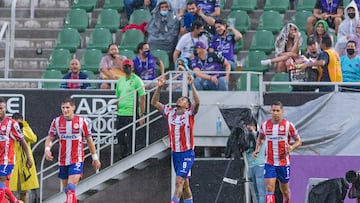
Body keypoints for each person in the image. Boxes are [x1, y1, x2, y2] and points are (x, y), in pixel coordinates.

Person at [151, 74, 200, 203]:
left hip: (187, 153)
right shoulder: (170, 112)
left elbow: (198, 102)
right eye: (180, 98)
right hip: (175, 153)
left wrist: (192, 85)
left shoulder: (189, 114)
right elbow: (154, 103)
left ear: (187, 106)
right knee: (185, 185)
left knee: (179, 182)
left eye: (183, 99)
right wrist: (159, 88)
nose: (180, 99)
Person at [44, 97, 101, 203]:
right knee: (68, 191)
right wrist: (47, 149)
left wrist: (95, 158)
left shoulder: (81, 121)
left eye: (67, 107)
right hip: (63, 160)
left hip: (77, 159)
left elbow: (89, 140)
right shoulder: (56, 121)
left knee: (70, 188)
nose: (65, 110)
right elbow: (50, 138)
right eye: (63, 107)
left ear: (73, 107)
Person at [253, 101, 302, 203]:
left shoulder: (288, 125)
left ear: (282, 111)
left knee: (284, 191)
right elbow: (260, 138)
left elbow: (299, 141)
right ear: (270, 111)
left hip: (283, 163)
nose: (275, 113)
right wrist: (257, 149)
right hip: (269, 163)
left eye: (277, 111)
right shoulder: (265, 125)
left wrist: (292, 147)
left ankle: (287, 200)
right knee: (270, 188)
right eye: (273, 110)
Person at [0, 97, 32, 203]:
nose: (0, 111)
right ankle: (15, 201)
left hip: (6, 161)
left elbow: (22, 140)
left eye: (1, 108)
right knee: (3, 189)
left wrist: (28, 157)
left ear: (5, 108)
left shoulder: (11, 123)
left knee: (1, 187)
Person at [115, 59, 146, 159]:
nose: (127, 68)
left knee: (130, 138)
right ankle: (123, 155)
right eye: (125, 66)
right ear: (123, 68)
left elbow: (142, 98)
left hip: (131, 113)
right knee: (120, 136)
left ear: (132, 68)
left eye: (129, 66)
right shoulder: (120, 81)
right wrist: (117, 107)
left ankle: (131, 157)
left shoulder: (137, 80)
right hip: (121, 113)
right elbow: (118, 97)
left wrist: (142, 114)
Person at [9, 113, 39, 203]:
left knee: (24, 191)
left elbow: (33, 139)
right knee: (8, 190)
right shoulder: (9, 129)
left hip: (24, 164)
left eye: (19, 123)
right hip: (12, 162)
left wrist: (23, 129)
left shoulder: (25, 128)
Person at [245, 122, 266, 203]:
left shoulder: (258, 135)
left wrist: (252, 131)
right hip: (253, 167)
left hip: (258, 166)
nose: (248, 127)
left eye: (249, 125)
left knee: (260, 193)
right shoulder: (246, 137)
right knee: (257, 193)